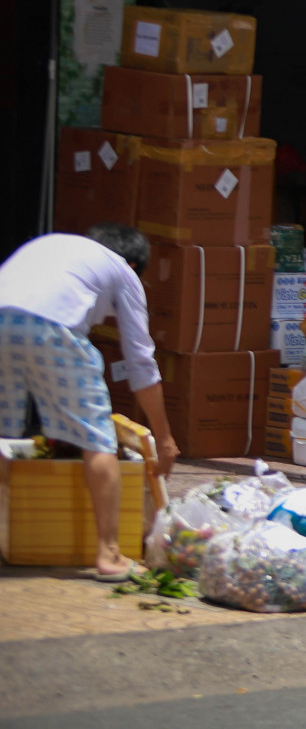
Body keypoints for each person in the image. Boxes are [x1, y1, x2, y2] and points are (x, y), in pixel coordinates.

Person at [0, 225, 177, 580]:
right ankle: (110, 554)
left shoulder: (53, 246)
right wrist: (165, 439)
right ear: (131, 263)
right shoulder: (122, 271)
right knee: (98, 439)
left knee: (4, 434)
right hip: (51, 329)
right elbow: (141, 364)